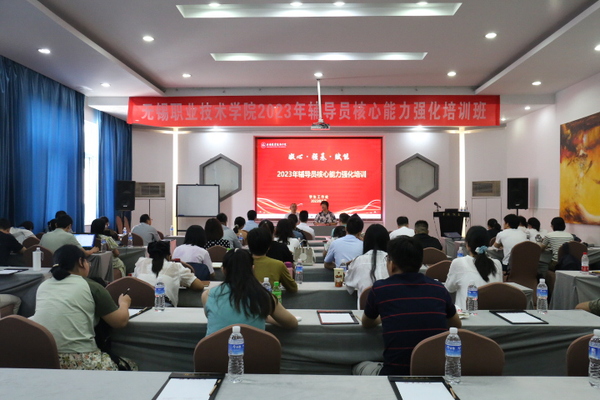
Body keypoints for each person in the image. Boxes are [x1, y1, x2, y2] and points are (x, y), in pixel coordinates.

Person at [356, 236, 461, 376]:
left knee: (358, 366)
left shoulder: (380, 288)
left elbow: (367, 323)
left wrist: (383, 317)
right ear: (420, 263)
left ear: (392, 264)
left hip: (394, 374)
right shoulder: (438, 288)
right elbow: (456, 324)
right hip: (435, 374)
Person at [31, 245, 133, 370]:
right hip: (82, 358)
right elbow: (120, 322)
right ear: (80, 262)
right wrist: (124, 303)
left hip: (45, 359)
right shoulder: (91, 286)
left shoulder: (43, 286)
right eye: (86, 261)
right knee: (130, 365)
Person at [202, 248, 298, 336]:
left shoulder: (207, 295)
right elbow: (292, 323)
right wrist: (267, 318)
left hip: (214, 349)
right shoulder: (265, 297)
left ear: (223, 270)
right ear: (252, 268)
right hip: (254, 349)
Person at [445, 226, 503, 311]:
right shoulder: (497, 263)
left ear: (467, 245)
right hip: (491, 315)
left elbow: (449, 288)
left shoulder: (458, 263)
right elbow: (499, 289)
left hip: (467, 316)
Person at [134, 241, 204, 307]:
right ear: (169, 256)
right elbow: (199, 286)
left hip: (138, 303)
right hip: (163, 304)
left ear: (149, 255)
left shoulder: (141, 262)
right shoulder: (175, 267)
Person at [345, 224, 389, 308]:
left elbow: (349, 286)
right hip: (391, 312)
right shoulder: (392, 261)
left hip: (365, 313)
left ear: (366, 241)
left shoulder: (358, 261)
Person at [248, 227, 297, 293]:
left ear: (249, 245)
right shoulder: (278, 265)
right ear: (269, 246)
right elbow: (293, 288)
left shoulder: (241, 263)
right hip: (271, 298)